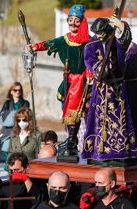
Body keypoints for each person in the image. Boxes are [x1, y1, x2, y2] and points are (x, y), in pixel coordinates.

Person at [27, 4, 90, 157]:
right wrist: (34, 47)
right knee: (68, 112)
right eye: (70, 20)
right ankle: (71, 139)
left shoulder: (90, 42)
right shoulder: (64, 41)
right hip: (69, 83)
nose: (73, 23)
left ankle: (79, 140)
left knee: (86, 115)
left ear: (82, 22)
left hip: (86, 82)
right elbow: (48, 44)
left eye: (77, 20)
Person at [81, 17, 137, 161]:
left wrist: (120, 26)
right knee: (99, 121)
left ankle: (121, 151)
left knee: (120, 119)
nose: (100, 36)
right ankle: (98, 152)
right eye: (97, 33)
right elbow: (89, 60)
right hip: (101, 88)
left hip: (117, 89)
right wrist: (100, 68)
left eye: (102, 32)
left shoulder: (115, 40)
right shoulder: (91, 45)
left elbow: (125, 41)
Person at [0, 82, 30, 157]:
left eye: (19, 90)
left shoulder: (25, 103)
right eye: (15, 90)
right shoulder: (7, 103)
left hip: (20, 130)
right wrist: (14, 115)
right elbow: (2, 115)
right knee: (6, 151)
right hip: (8, 131)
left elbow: (27, 116)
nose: (17, 92)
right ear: (11, 91)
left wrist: (13, 115)